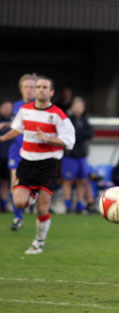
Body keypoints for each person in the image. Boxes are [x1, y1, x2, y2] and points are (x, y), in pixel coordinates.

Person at [0, 76, 76, 254]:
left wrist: (48, 139)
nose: (41, 90)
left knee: (42, 208)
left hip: (49, 164)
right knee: (18, 202)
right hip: (27, 162)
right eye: (39, 87)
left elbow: (69, 142)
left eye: (45, 87)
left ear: (51, 92)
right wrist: (3, 137)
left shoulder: (59, 115)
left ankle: (38, 242)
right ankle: (32, 197)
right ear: (35, 91)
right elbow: (18, 128)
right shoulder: (25, 110)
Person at [9, 73, 37, 231]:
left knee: (34, 185)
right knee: (15, 184)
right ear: (21, 89)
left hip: (34, 152)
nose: (29, 90)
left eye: (32, 87)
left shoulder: (42, 106)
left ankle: (35, 206)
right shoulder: (16, 106)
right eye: (26, 87)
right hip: (17, 152)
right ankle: (17, 218)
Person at [61, 96, 93, 214]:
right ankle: (68, 204)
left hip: (82, 156)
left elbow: (89, 133)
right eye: (76, 106)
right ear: (72, 107)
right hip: (70, 156)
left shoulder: (85, 120)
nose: (79, 109)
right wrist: (80, 135)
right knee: (68, 181)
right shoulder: (68, 120)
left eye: (81, 107)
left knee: (82, 181)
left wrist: (79, 135)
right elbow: (70, 135)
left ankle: (80, 204)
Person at [0, 101, 14, 211]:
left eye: (10, 107)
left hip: (9, 156)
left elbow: (18, 125)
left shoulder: (14, 120)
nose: (8, 109)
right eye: (5, 107)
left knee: (5, 181)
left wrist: (5, 125)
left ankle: (4, 204)